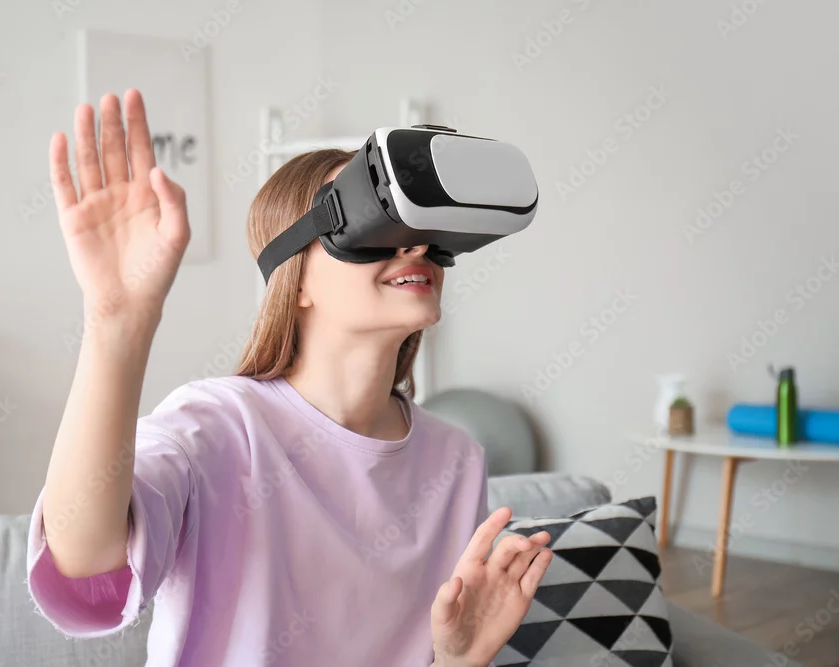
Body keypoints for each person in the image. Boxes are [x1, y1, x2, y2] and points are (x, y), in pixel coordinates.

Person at [27, 88, 553, 667]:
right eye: (374, 222)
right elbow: (86, 574)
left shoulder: (456, 459)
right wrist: (115, 326)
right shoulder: (215, 428)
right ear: (295, 278)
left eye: (421, 226)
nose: (416, 245)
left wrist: (460, 660)